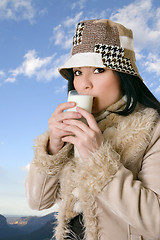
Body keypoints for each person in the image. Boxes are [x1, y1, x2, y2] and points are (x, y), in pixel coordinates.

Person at [25, 19, 160, 240]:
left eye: (98, 70)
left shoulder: (152, 127)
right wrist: (52, 148)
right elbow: (37, 202)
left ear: (123, 76)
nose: (84, 84)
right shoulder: (73, 128)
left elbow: (156, 223)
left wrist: (98, 160)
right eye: (77, 72)